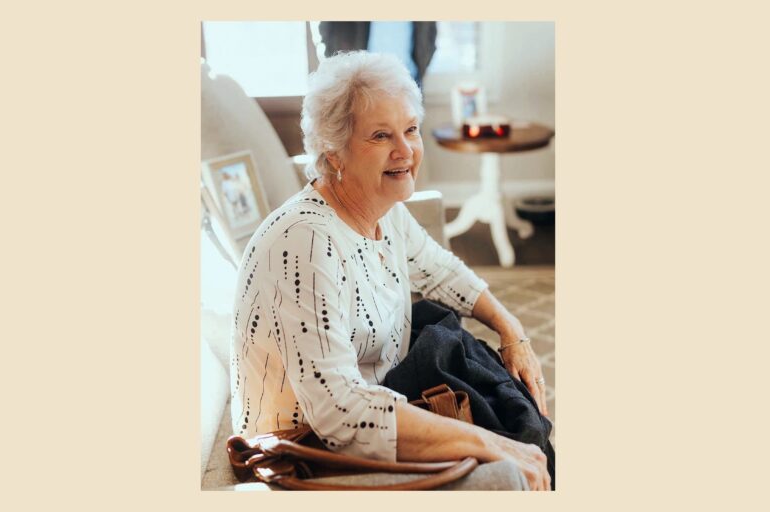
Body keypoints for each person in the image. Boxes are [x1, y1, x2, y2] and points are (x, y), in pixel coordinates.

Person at [229, 51, 551, 491]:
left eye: (410, 129)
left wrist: (512, 331)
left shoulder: (385, 210)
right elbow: (338, 412)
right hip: (303, 449)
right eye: (381, 135)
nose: (405, 151)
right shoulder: (305, 241)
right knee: (508, 454)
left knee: (506, 405)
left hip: (377, 404)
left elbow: (441, 271)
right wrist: (493, 446)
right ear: (334, 152)